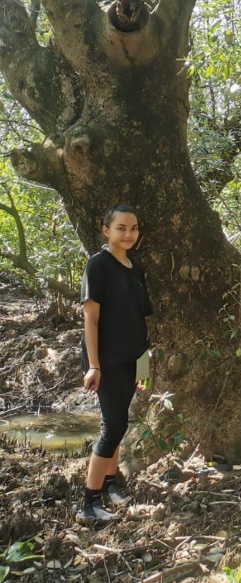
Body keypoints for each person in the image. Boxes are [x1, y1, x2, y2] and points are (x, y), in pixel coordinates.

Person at [77, 204, 152, 524]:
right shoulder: (98, 265)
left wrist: (144, 369)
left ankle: (110, 485)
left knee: (119, 422)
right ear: (106, 230)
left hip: (132, 357)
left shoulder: (135, 268)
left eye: (133, 228)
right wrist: (93, 366)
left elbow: (142, 323)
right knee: (113, 427)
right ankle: (88, 504)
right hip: (106, 359)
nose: (128, 234)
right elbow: (90, 320)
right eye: (121, 228)